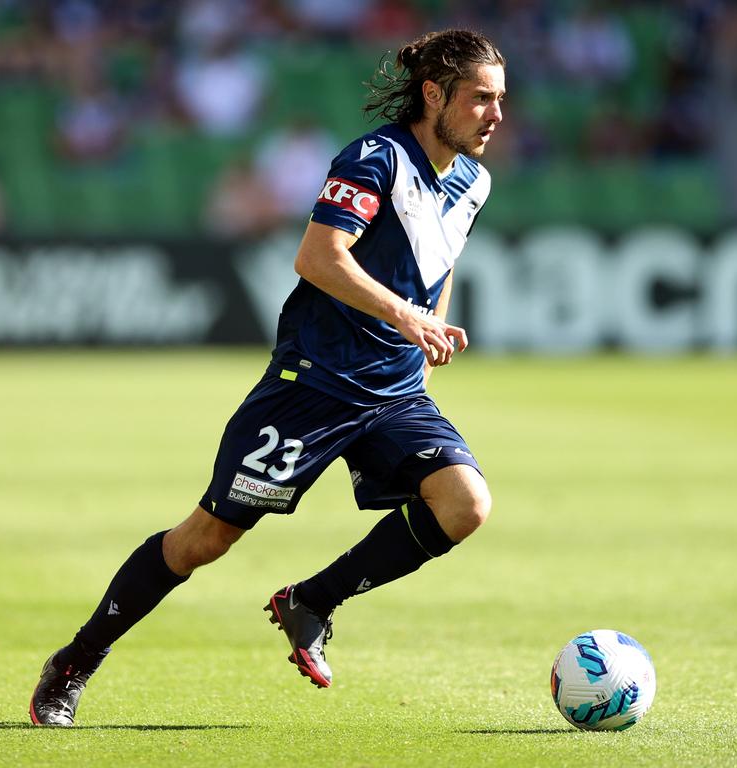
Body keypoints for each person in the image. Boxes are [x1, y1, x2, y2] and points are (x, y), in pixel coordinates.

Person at [29, 28, 506, 726]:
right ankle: (74, 661)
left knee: (465, 505)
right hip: (312, 387)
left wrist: (429, 328)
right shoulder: (373, 159)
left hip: (395, 391)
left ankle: (313, 599)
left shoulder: (474, 179)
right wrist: (408, 315)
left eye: (501, 100)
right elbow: (317, 258)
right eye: (481, 99)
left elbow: (441, 257)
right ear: (434, 94)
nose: (496, 115)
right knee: (205, 540)